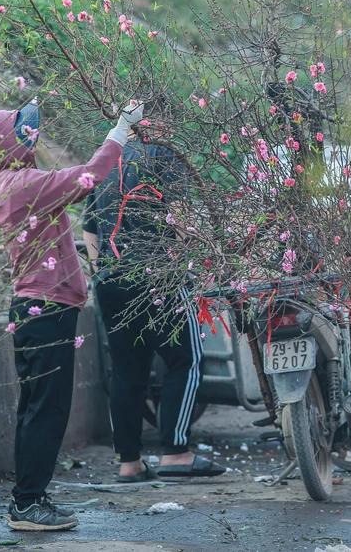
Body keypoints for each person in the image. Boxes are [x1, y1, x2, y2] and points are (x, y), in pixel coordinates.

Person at [0, 99, 143, 531]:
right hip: (46, 309)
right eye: (22, 131)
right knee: (46, 410)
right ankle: (28, 505)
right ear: (6, 145)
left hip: (37, 308)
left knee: (36, 408)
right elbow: (90, 176)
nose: (32, 134)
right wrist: (121, 128)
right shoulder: (23, 184)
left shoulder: (6, 181)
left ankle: (30, 499)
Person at [82, 129, 228, 481]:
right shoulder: (162, 155)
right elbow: (180, 219)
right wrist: (188, 261)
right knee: (186, 360)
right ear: (157, 123)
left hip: (112, 279)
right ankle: (176, 453)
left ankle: (129, 462)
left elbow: (90, 231)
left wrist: (103, 272)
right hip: (158, 275)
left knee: (127, 371)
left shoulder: (105, 159)